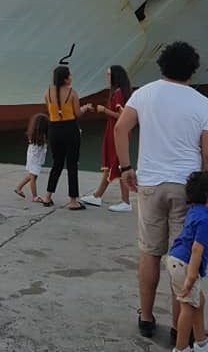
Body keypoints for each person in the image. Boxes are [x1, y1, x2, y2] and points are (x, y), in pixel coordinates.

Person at [114, 41, 208, 342]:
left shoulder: (143, 94)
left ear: (162, 65)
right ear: (192, 71)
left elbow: (120, 129)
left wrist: (126, 168)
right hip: (187, 187)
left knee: (150, 252)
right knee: (180, 257)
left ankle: (145, 316)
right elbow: (207, 153)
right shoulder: (202, 103)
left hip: (150, 184)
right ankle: (178, 324)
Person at [166, 171, 208, 352]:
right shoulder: (205, 219)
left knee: (198, 301)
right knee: (188, 307)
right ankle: (181, 348)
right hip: (186, 265)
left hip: (176, 260)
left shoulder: (196, 211)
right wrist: (191, 278)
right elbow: (197, 249)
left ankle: (201, 342)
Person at [40, 65, 93, 210]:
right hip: (70, 129)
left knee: (57, 164)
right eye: (70, 75)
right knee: (72, 164)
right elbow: (77, 114)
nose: (71, 77)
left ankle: (47, 196)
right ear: (65, 78)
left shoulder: (47, 92)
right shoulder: (72, 93)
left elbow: (51, 111)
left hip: (54, 129)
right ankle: (73, 200)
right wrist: (86, 108)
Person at [81, 65, 133, 212]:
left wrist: (105, 110)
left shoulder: (117, 93)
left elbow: (123, 116)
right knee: (113, 164)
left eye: (109, 74)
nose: (107, 77)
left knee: (119, 164)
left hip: (117, 133)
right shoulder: (121, 92)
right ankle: (98, 196)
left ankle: (125, 201)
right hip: (115, 132)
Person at [14, 113, 50, 202]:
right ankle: (34, 196)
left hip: (33, 158)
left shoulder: (34, 135)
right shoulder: (42, 137)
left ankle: (18, 188)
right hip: (35, 159)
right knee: (33, 177)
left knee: (31, 176)